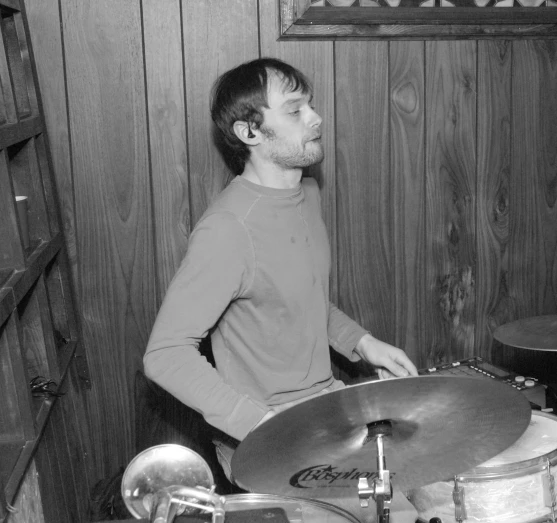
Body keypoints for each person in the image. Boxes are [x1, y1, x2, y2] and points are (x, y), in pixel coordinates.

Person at [143, 57, 418, 481]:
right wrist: (258, 423)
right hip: (270, 442)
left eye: (309, 104)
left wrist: (363, 344)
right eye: (294, 110)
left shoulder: (306, 193)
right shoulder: (228, 229)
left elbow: (300, 301)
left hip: (327, 413)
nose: (315, 117)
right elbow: (165, 354)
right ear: (248, 132)